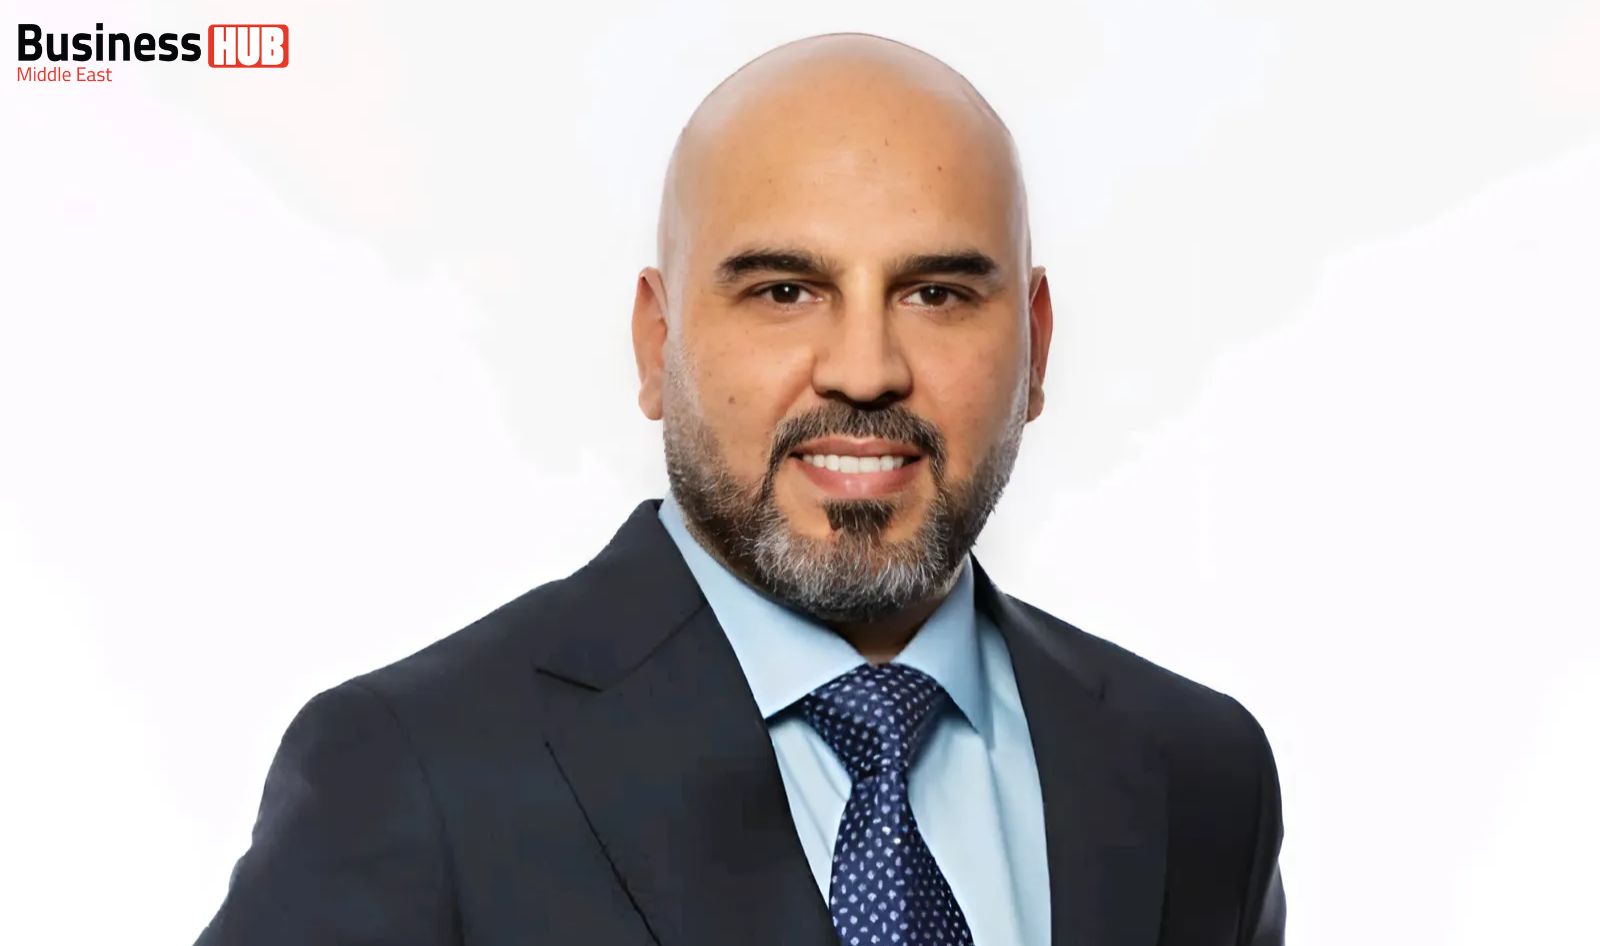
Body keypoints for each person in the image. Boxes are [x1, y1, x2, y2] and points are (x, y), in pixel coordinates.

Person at [195, 31, 1287, 946]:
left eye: (937, 293)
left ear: (1036, 345)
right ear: (656, 342)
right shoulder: (416, 772)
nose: (864, 368)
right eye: (783, 290)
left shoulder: (1200, 774)